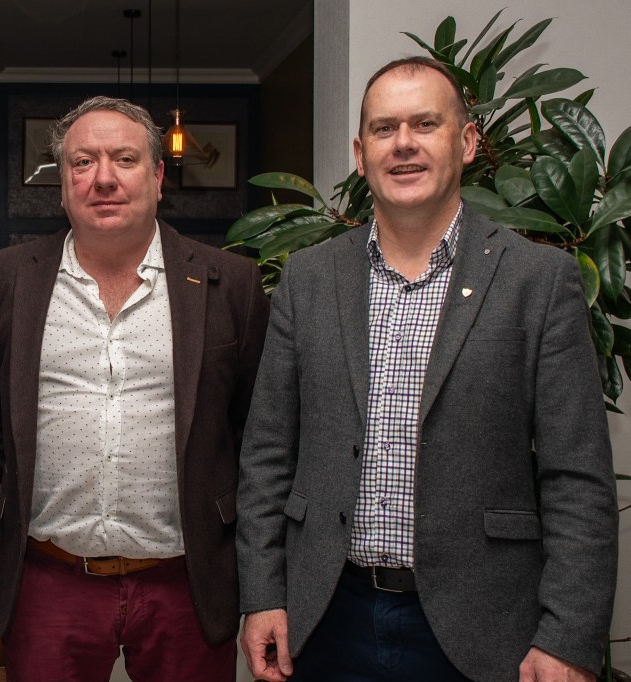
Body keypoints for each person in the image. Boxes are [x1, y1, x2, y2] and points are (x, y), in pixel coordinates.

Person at [237, 57, 618, 682]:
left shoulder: (539, 281)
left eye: (425, 124)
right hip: (327, 615)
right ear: (361, 154)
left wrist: (569, 638)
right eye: (384, 128)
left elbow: (576, 479)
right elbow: (266, 455)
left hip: (484, 626)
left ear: (466, 142)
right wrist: (262, 594)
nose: (403, 144)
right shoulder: (309, 278)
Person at [0, 96, 269, 681]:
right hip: (50, 577)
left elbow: (253, 432)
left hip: (186, 579)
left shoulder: (230, 283)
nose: (103, 178)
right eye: (83, 162)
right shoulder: (0, 280)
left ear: (157, 177)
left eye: (124, 160)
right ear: (63, 184)